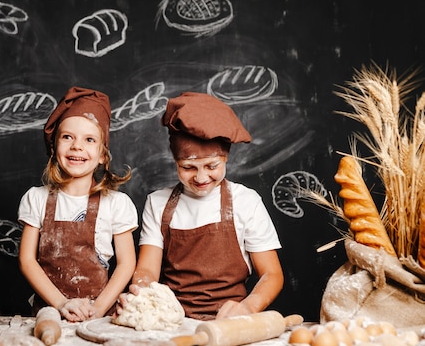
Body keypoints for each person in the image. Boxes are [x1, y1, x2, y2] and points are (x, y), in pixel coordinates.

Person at [120, 92, 284, 321]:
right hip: (172, 320)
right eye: (188, 167)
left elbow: (272, 274)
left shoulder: (246, 202)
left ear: (226, 158)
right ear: (175, 161)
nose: (201, 177)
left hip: (229, 321)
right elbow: (147, 271)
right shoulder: (157, 203)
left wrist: (247, 308)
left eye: (211, 166)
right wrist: (140, 292)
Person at [18, 86, 138, 322]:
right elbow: (27, 260)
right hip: (49, 314)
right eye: (67, 137)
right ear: (54, 148)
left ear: (103, 154)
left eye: (90, 139)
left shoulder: (116, 204)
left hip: (99, 316)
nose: (77, 146)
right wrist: (61, 303)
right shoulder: (36, 199)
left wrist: (99, 309)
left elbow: (127, 264)